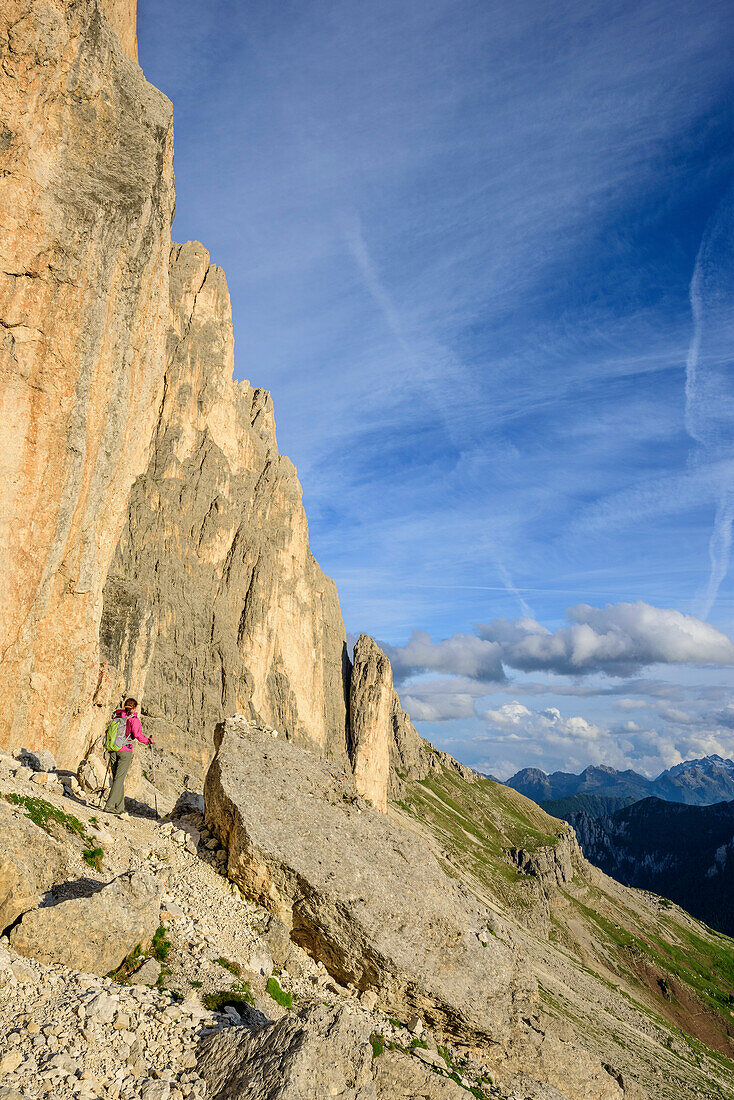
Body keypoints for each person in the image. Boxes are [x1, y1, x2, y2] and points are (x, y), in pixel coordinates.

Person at [105, 697, 150, 816]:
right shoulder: (133, 719)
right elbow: (137, 734)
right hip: (125, 751)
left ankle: (119, 807)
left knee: (117, 779)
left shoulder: (117, 716)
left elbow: (107, 732)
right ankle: (109, 806)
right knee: (119, 779)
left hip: (113, 750)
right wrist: (148, 741)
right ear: (134, 707)